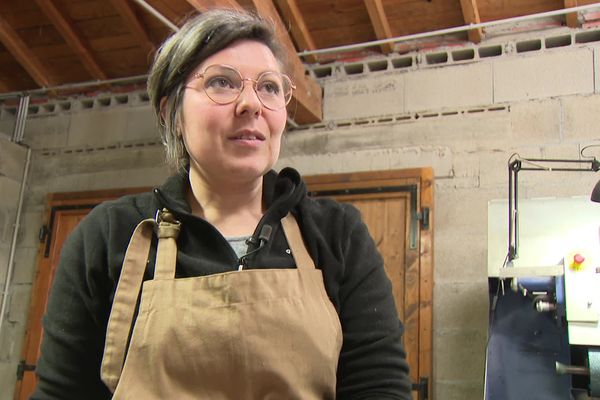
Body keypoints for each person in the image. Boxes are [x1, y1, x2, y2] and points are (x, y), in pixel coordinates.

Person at [32, 9, 412, 400]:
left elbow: (379, 388)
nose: (252, 104)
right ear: (171, 113)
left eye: (268, 87)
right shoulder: (108, 234)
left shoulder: (336, 233)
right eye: (221, 82)